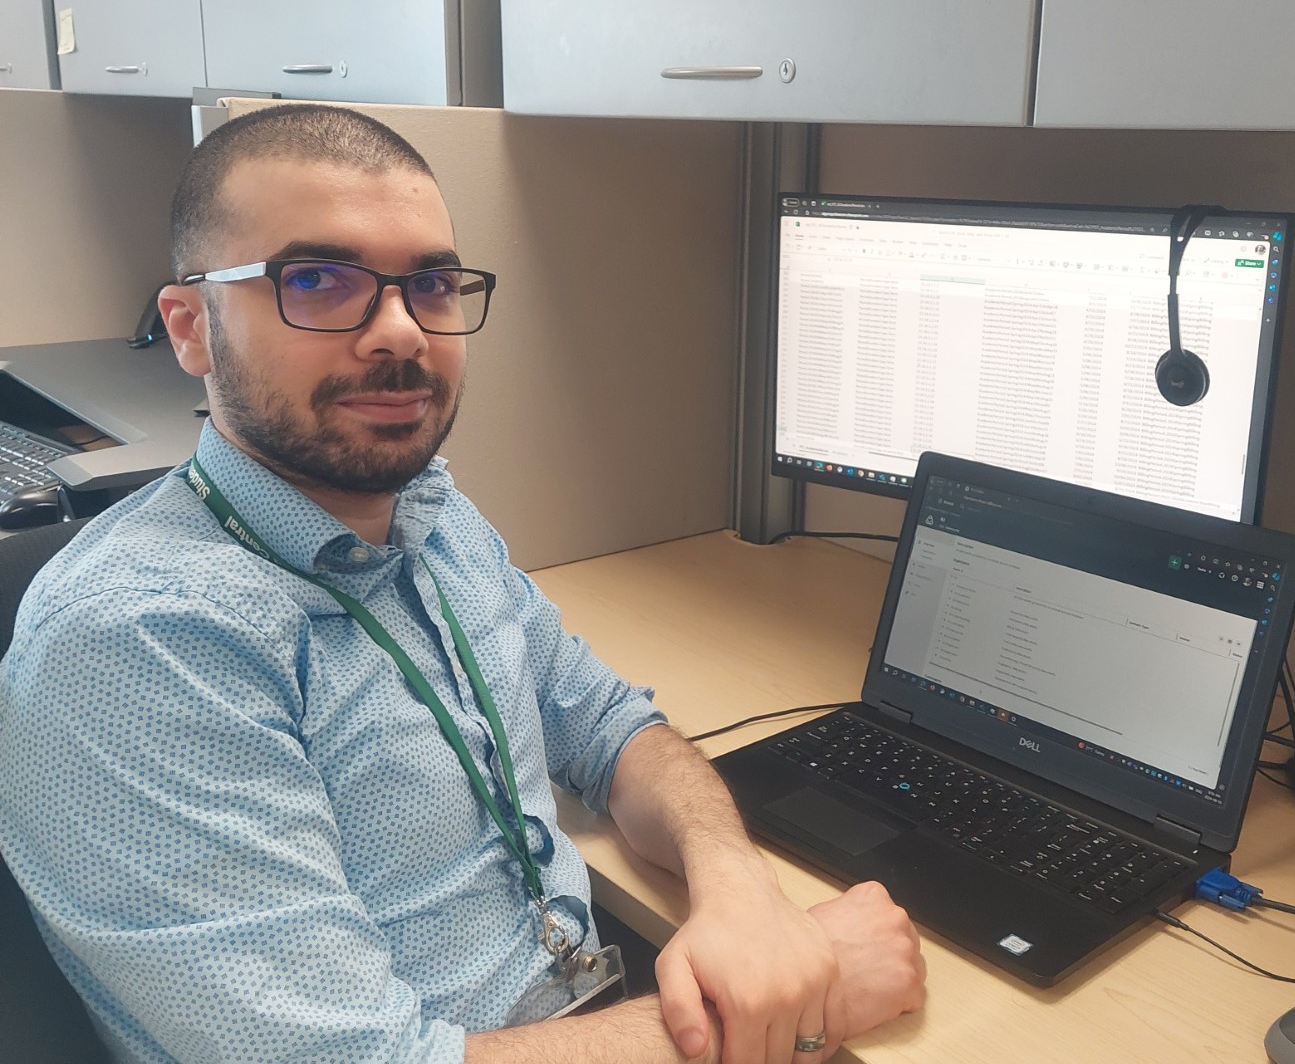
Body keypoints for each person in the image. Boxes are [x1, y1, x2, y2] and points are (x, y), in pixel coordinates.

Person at [0, 103, 924, 1064]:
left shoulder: (430, 519)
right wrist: (800, 1001)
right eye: (317, 280)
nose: (399, 332)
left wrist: (740, 889)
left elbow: (607, 726)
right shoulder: (137, 643)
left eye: (432, 284)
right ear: (191, 328)